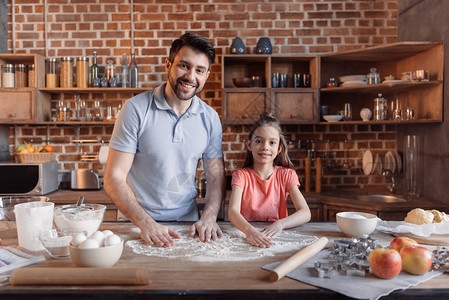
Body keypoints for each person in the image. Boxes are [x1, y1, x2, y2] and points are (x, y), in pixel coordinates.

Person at [104, 33, 226, 247]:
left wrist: (209, 217)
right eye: (184, 66)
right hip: (136, 227)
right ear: (168, 65)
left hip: (187, 227)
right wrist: (145, 223)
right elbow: (114, 176)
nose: (190, 76)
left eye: (199, 70)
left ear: (207, 74)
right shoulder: (135, 109)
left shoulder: (210, 118)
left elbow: (215, 176)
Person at [227, 113, 311, 248]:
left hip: (277, 237)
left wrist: (281, 224)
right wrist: (250, 231)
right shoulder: (241, 175)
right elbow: (232, 211)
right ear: (249, 145)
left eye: (272, 142)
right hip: (246, 236)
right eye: (259, 141)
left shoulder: (287, 175)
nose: (265, 147)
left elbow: (305, 212)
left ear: (279, 149)